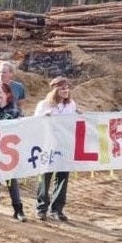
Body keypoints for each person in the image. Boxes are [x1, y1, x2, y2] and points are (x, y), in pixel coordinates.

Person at [34, 76, 80, 221]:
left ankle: (57, 209)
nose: (66, 90)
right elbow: (34, 122)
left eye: (67, 88)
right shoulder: (44, 105)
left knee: (62, 177)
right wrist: (44, 117)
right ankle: (41, 208)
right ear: (55, 89)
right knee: (45, 176)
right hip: (48, 145)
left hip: (65, 145)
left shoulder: (71, 104)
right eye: (62, 88)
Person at [0, 83, 26, 221]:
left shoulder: (15, 110)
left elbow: (23, 127)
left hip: (10, 151)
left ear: (7, 94)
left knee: (11, 180)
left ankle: (18, 209)